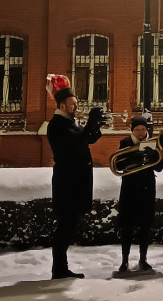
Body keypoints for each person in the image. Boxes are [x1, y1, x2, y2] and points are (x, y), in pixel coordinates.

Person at [45, 74, 104, 279]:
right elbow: (77, 141)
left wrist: (96, 124)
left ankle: (61, 269)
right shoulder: (57, 125)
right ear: (62, 105)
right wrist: (90, 124)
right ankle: (59, 270)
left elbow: (88, 138)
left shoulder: (69, 122)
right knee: (65, 228)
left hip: (75, 183)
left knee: (68, 228)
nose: (75, 107)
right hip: (67, 184)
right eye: (72, 104)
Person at [115, 115, 163, 274]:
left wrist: (153, 156)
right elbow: (119, 164)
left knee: (145, 225)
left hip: (147, 188)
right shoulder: (125, 143)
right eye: (137, 129)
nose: (140, 132)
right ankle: (124, 261)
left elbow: (160, 167)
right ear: (132, 130)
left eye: (143, 129)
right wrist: (135, 156)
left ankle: (143, 259)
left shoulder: (154, 143)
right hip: (129, 188)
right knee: (127, 226)